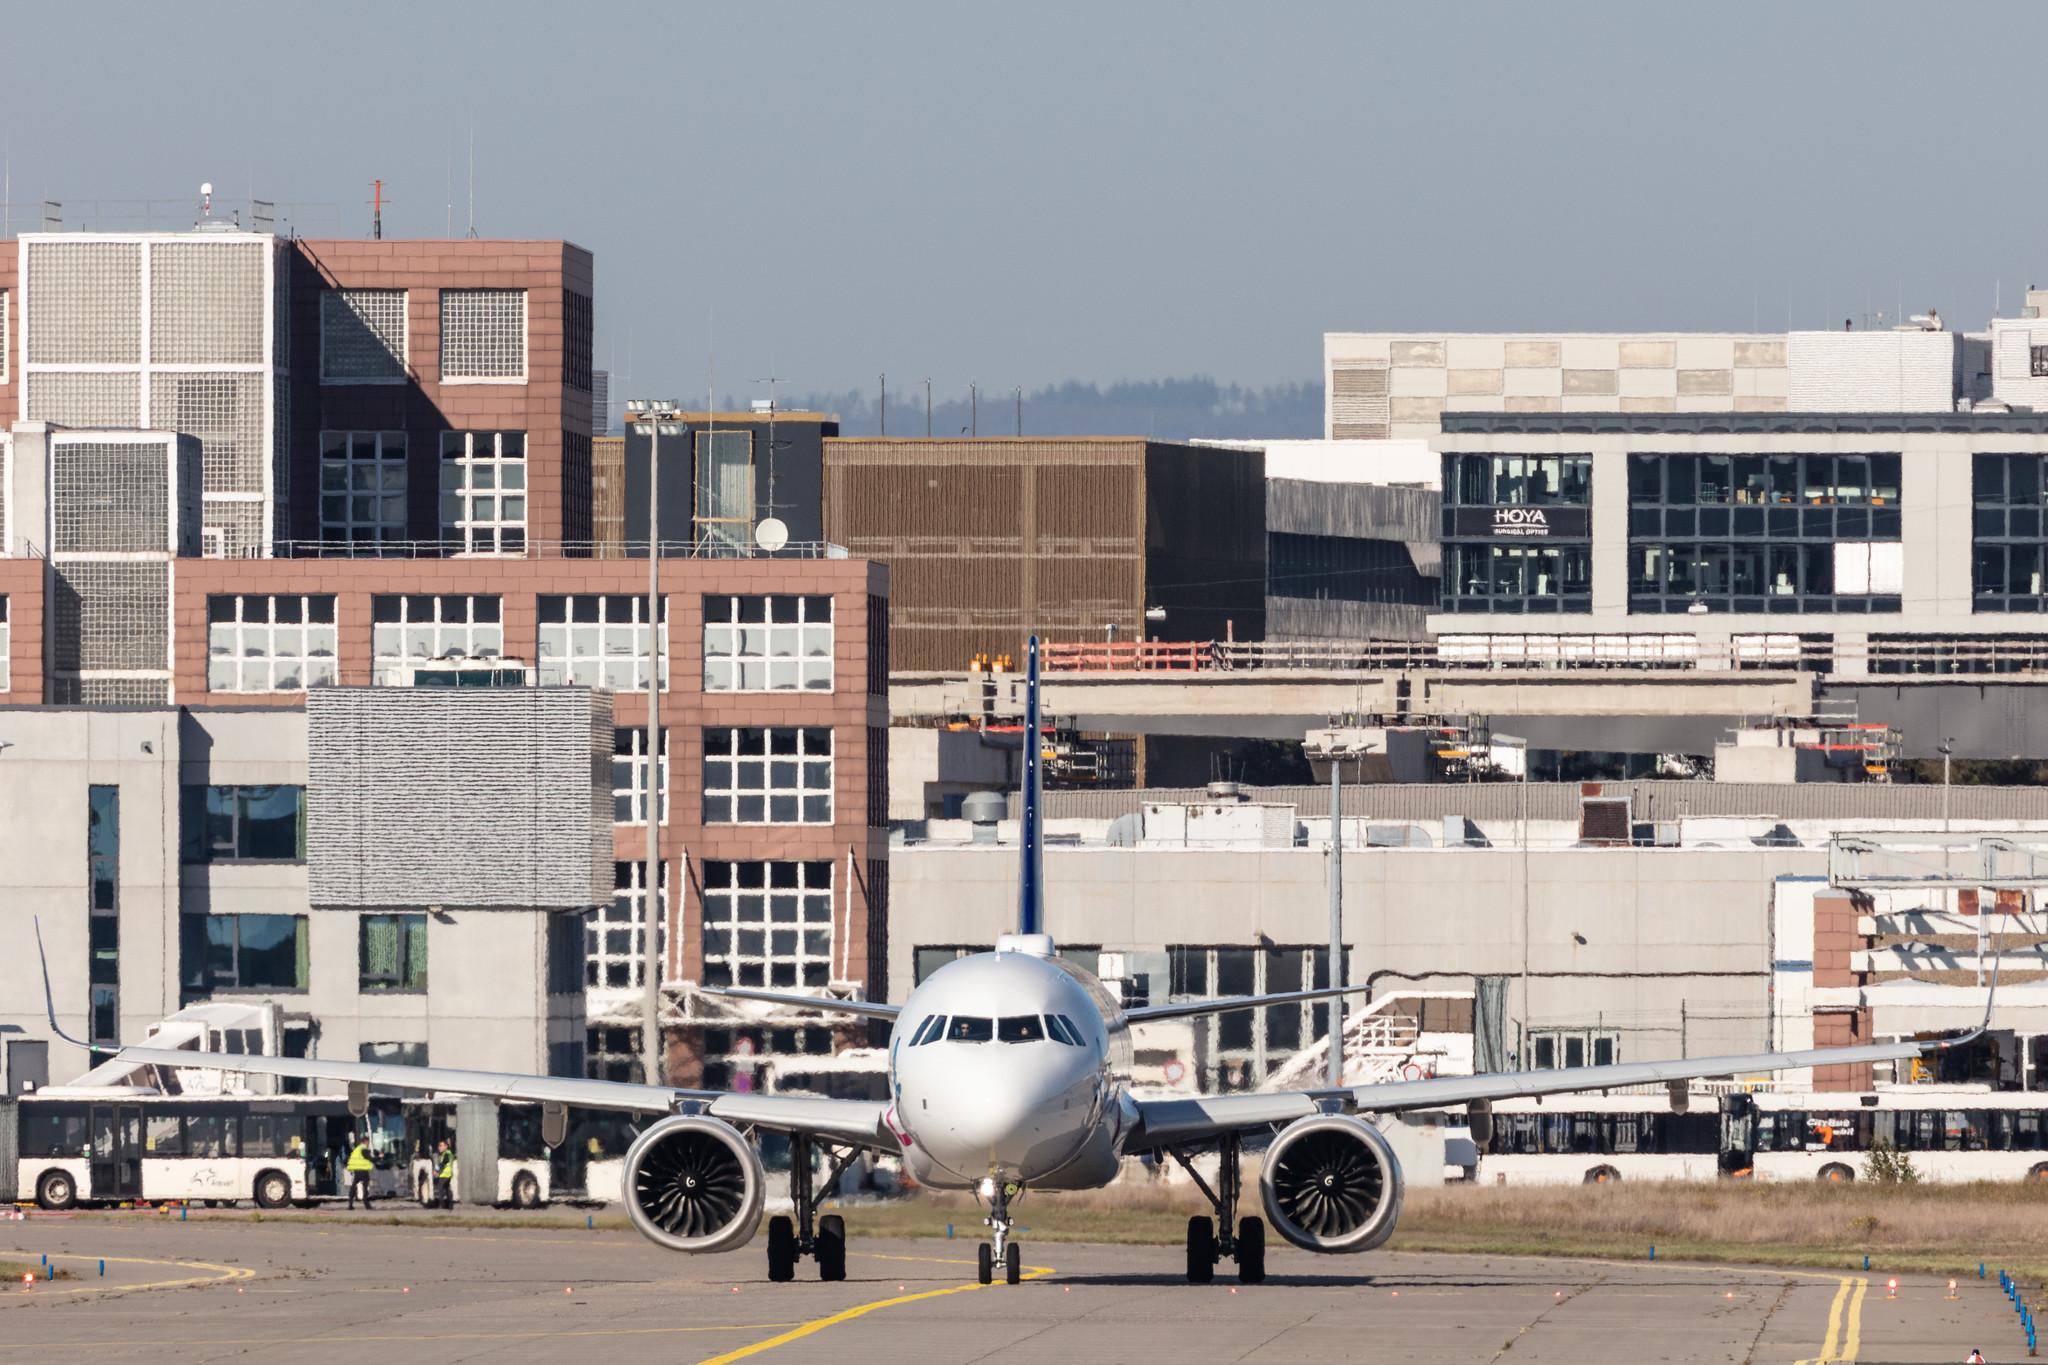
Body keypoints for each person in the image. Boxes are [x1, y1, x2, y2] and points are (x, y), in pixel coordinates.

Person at [346, 1133, 374, 1209]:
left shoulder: (357, 1149)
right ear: (366, 1142)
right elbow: (371, 1159)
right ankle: (366, 1203)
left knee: (353, 1186)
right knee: (365, 1187)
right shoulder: (364, 1149)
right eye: (368, 1142)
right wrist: (380, 1157)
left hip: (357, 1171)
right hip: (363, 1171)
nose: (368, 1144)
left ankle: (350, 1204)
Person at [433, 1139, 456, 1209]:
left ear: (446, 1146)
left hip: (445, 1175)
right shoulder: (446, 1154)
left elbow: (442, 1164)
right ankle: (450, 1205)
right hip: (447, 1175)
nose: (439, 1147)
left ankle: (442, 1205)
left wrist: (436, 1171)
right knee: (447, 1189)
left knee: (440, 1190)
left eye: (441, 1146)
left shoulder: (447, 1154)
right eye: (439, 1146)